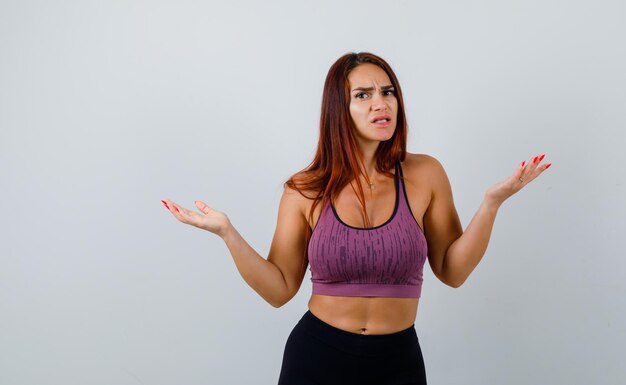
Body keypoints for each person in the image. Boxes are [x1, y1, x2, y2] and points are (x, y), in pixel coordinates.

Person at [161, 51, 551, 385]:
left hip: (398, 362)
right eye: (363, 95)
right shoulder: (305, 189)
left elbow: (452, 271)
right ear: (339, 110)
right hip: (317, 358)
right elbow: (279, 289)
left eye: (388, 92)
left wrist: (491, 204)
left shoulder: (425, 174)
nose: (380, 104)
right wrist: (228, 234)